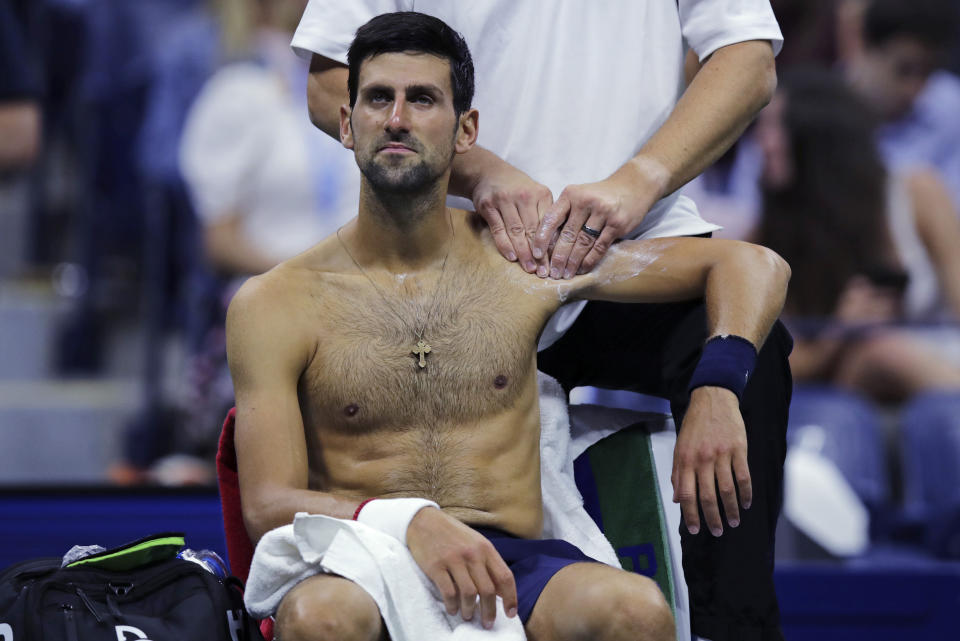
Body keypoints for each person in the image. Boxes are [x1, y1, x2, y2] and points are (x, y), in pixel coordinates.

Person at [230, 12, 790, 641]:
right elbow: (267, 506)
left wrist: (716, 385)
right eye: (380, 99)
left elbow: (752, 264)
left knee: (636, 611)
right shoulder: (276, 301)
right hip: (362, 557)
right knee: (320, 617)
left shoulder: (525, 265)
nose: (396, 120)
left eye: (422, 100)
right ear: (345, 119)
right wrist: (408, 521)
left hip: (511, 558)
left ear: (466, 129)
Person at [754, 70, 960, 402]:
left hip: (939, 360)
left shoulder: (917, 193)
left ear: (817, 136)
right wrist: (840, 331)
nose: (761, 142)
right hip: (847, 384)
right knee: (874, 354)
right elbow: (769, 364)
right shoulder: (771, 232)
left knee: (884, 351)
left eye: (774, 127)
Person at [842, 0, 960, 205]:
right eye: (904, 70)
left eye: (927, 72)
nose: (915, 89)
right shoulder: (818, 112)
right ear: (865, 47)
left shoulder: (951, 107)